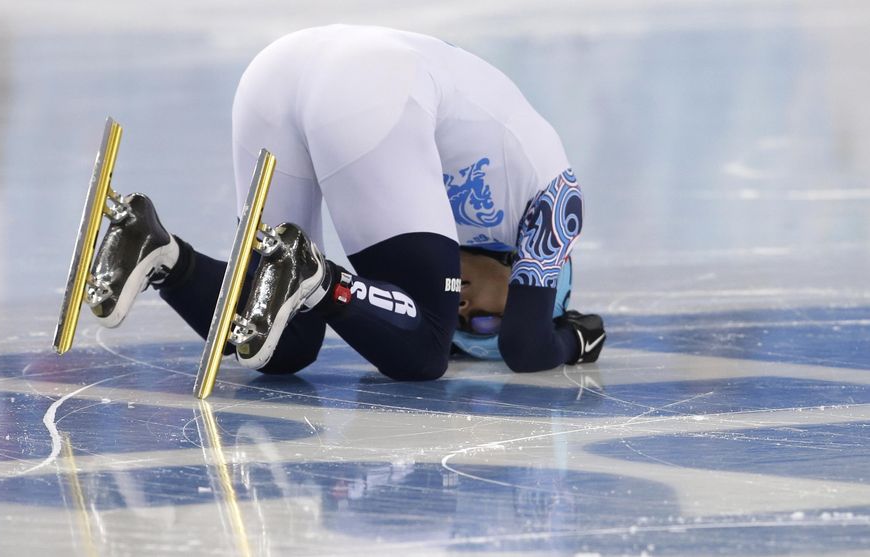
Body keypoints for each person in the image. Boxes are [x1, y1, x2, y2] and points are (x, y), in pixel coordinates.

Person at [86, 25, 606, 381]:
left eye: (463, 325)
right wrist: (575, 340)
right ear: (529, 276)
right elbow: (527, 346)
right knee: (425, 350)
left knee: (285, 346)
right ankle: (319, 275)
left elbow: (507, 330)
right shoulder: (552, 205)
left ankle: (158, 251)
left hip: (274, 72)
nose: (465, 311)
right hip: (377, 83)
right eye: (485, 322)